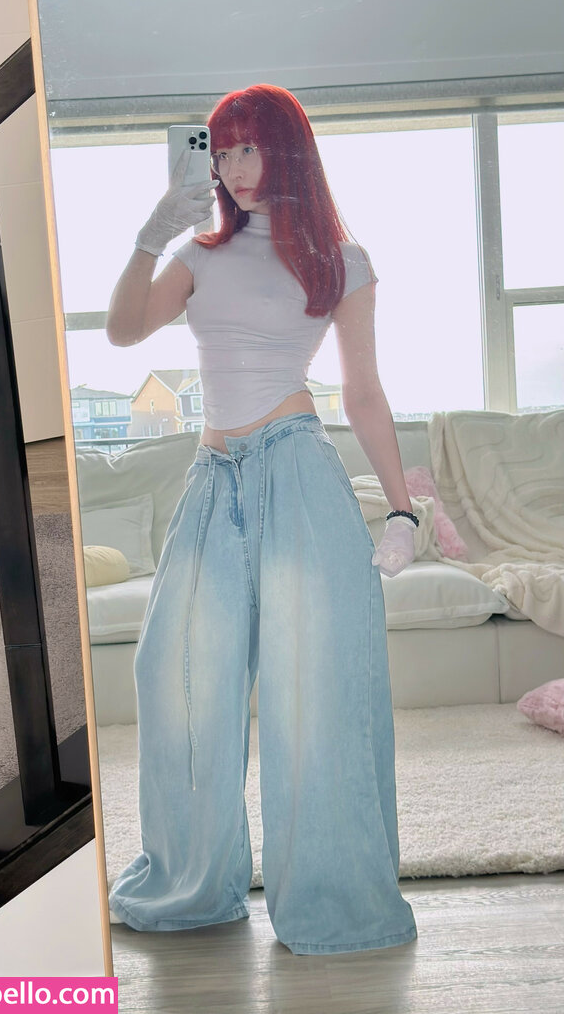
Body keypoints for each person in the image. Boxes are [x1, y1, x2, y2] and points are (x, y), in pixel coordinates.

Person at [105, 84, 418, 956]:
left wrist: (403, 509)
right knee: (177, 676)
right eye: (223, 151)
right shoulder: (198, 255)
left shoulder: (341, 260)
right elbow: (124, 330)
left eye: (249, 147)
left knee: (313, 691)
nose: (235, 168)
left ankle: (330, 895)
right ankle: (192, 884)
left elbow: (363, 392)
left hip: (297, 469)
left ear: (287, 150)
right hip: (214, 480)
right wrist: (152, 233)